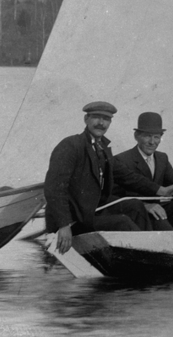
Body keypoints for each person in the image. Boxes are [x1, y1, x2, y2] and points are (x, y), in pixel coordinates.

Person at [43, 101, 149, 253]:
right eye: (96, 117)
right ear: (86, 119)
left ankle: (150, 249)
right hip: (72, 220)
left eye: (106, 119)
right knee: (122, 222)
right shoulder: (70, 145)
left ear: (110, 122)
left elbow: (126, 176)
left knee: (135, 206)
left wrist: (160, 190)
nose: (101, 123)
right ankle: (145, 254)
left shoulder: (102, 148)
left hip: (91, 210)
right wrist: (64, 225)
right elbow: (54, 189)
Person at [112, 112, 173, 230]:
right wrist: (145, 206)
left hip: (160, 209)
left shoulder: (162, 158)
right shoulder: (122, 160)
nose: (152, 142)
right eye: (147, 136)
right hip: (139, 213)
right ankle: (172, 238)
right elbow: (116, 197)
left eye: (156, 137)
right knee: (163, 224)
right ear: (136, 136)